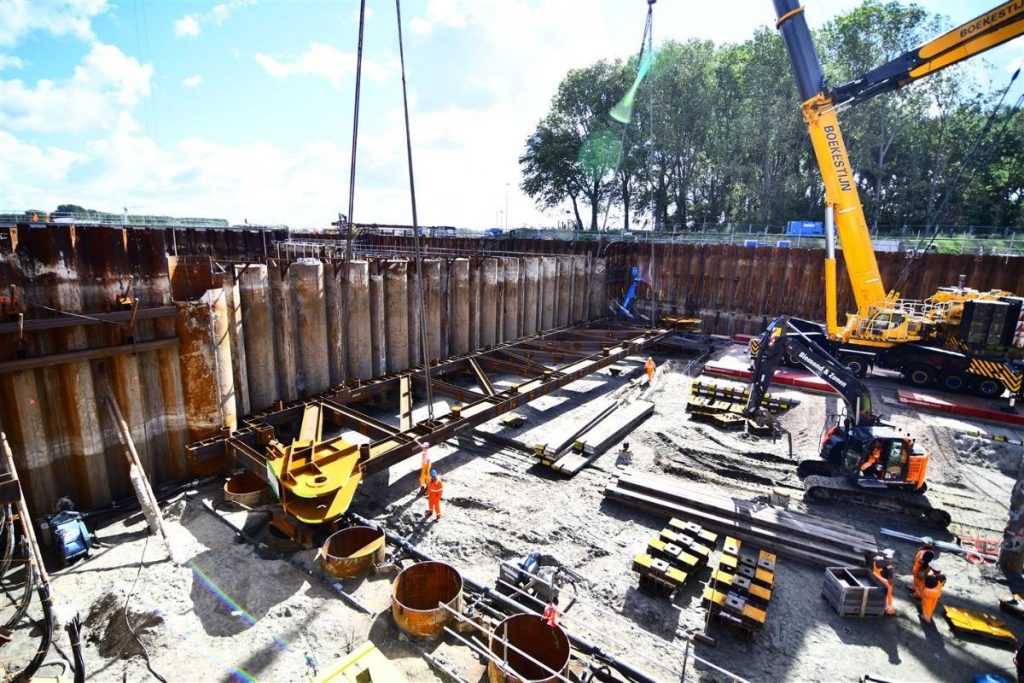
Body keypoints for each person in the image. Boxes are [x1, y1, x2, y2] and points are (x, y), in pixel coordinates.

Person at [872, 549, 896, 615]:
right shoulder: (889, 567)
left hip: (875, 578)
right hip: (883, 582)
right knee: (889, 592)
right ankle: (888, 609)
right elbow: (890, 580)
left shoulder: (876, 559)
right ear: (890, 558)